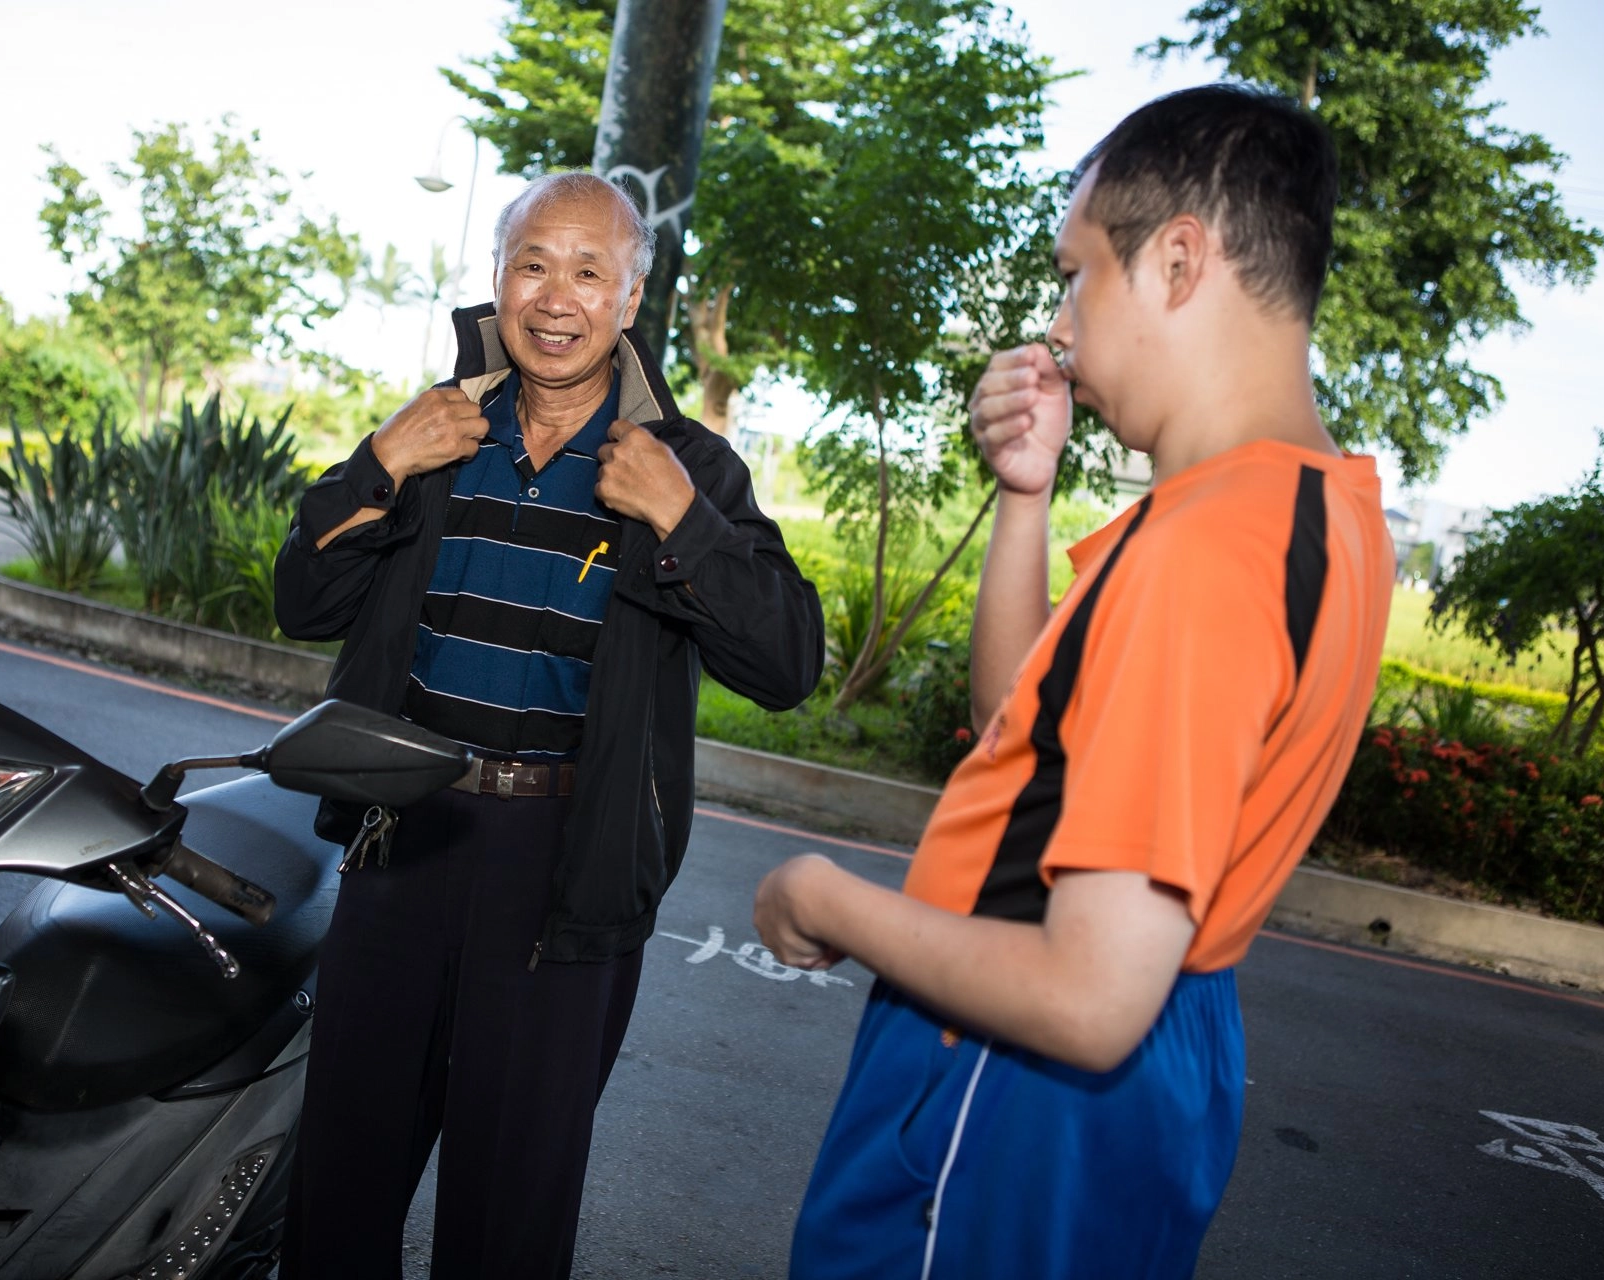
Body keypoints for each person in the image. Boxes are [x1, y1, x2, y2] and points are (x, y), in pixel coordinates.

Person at [752, 85, 1394, 1278]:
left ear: (1179, 261)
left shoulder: (1206, 555)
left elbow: (1090, 992)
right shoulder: (1316, 512)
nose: (1057, 330)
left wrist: (823, 894)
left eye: (1077, 276)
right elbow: (1033, 731)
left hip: (1011, 1066)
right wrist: (1026, 494)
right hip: (1159, 1051)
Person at [274, 171, 822, 1279]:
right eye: (534, 263)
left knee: (507, 1213)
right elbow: (303, 600)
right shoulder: (437, 430)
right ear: (497, 278)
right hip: (402, 837)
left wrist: (679, 517)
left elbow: (785, 663)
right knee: (338, 1183)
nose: (556, 296)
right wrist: (379, 462)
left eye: (588, 270)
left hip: (563, 866)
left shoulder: (687, 465)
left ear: (630, 297)